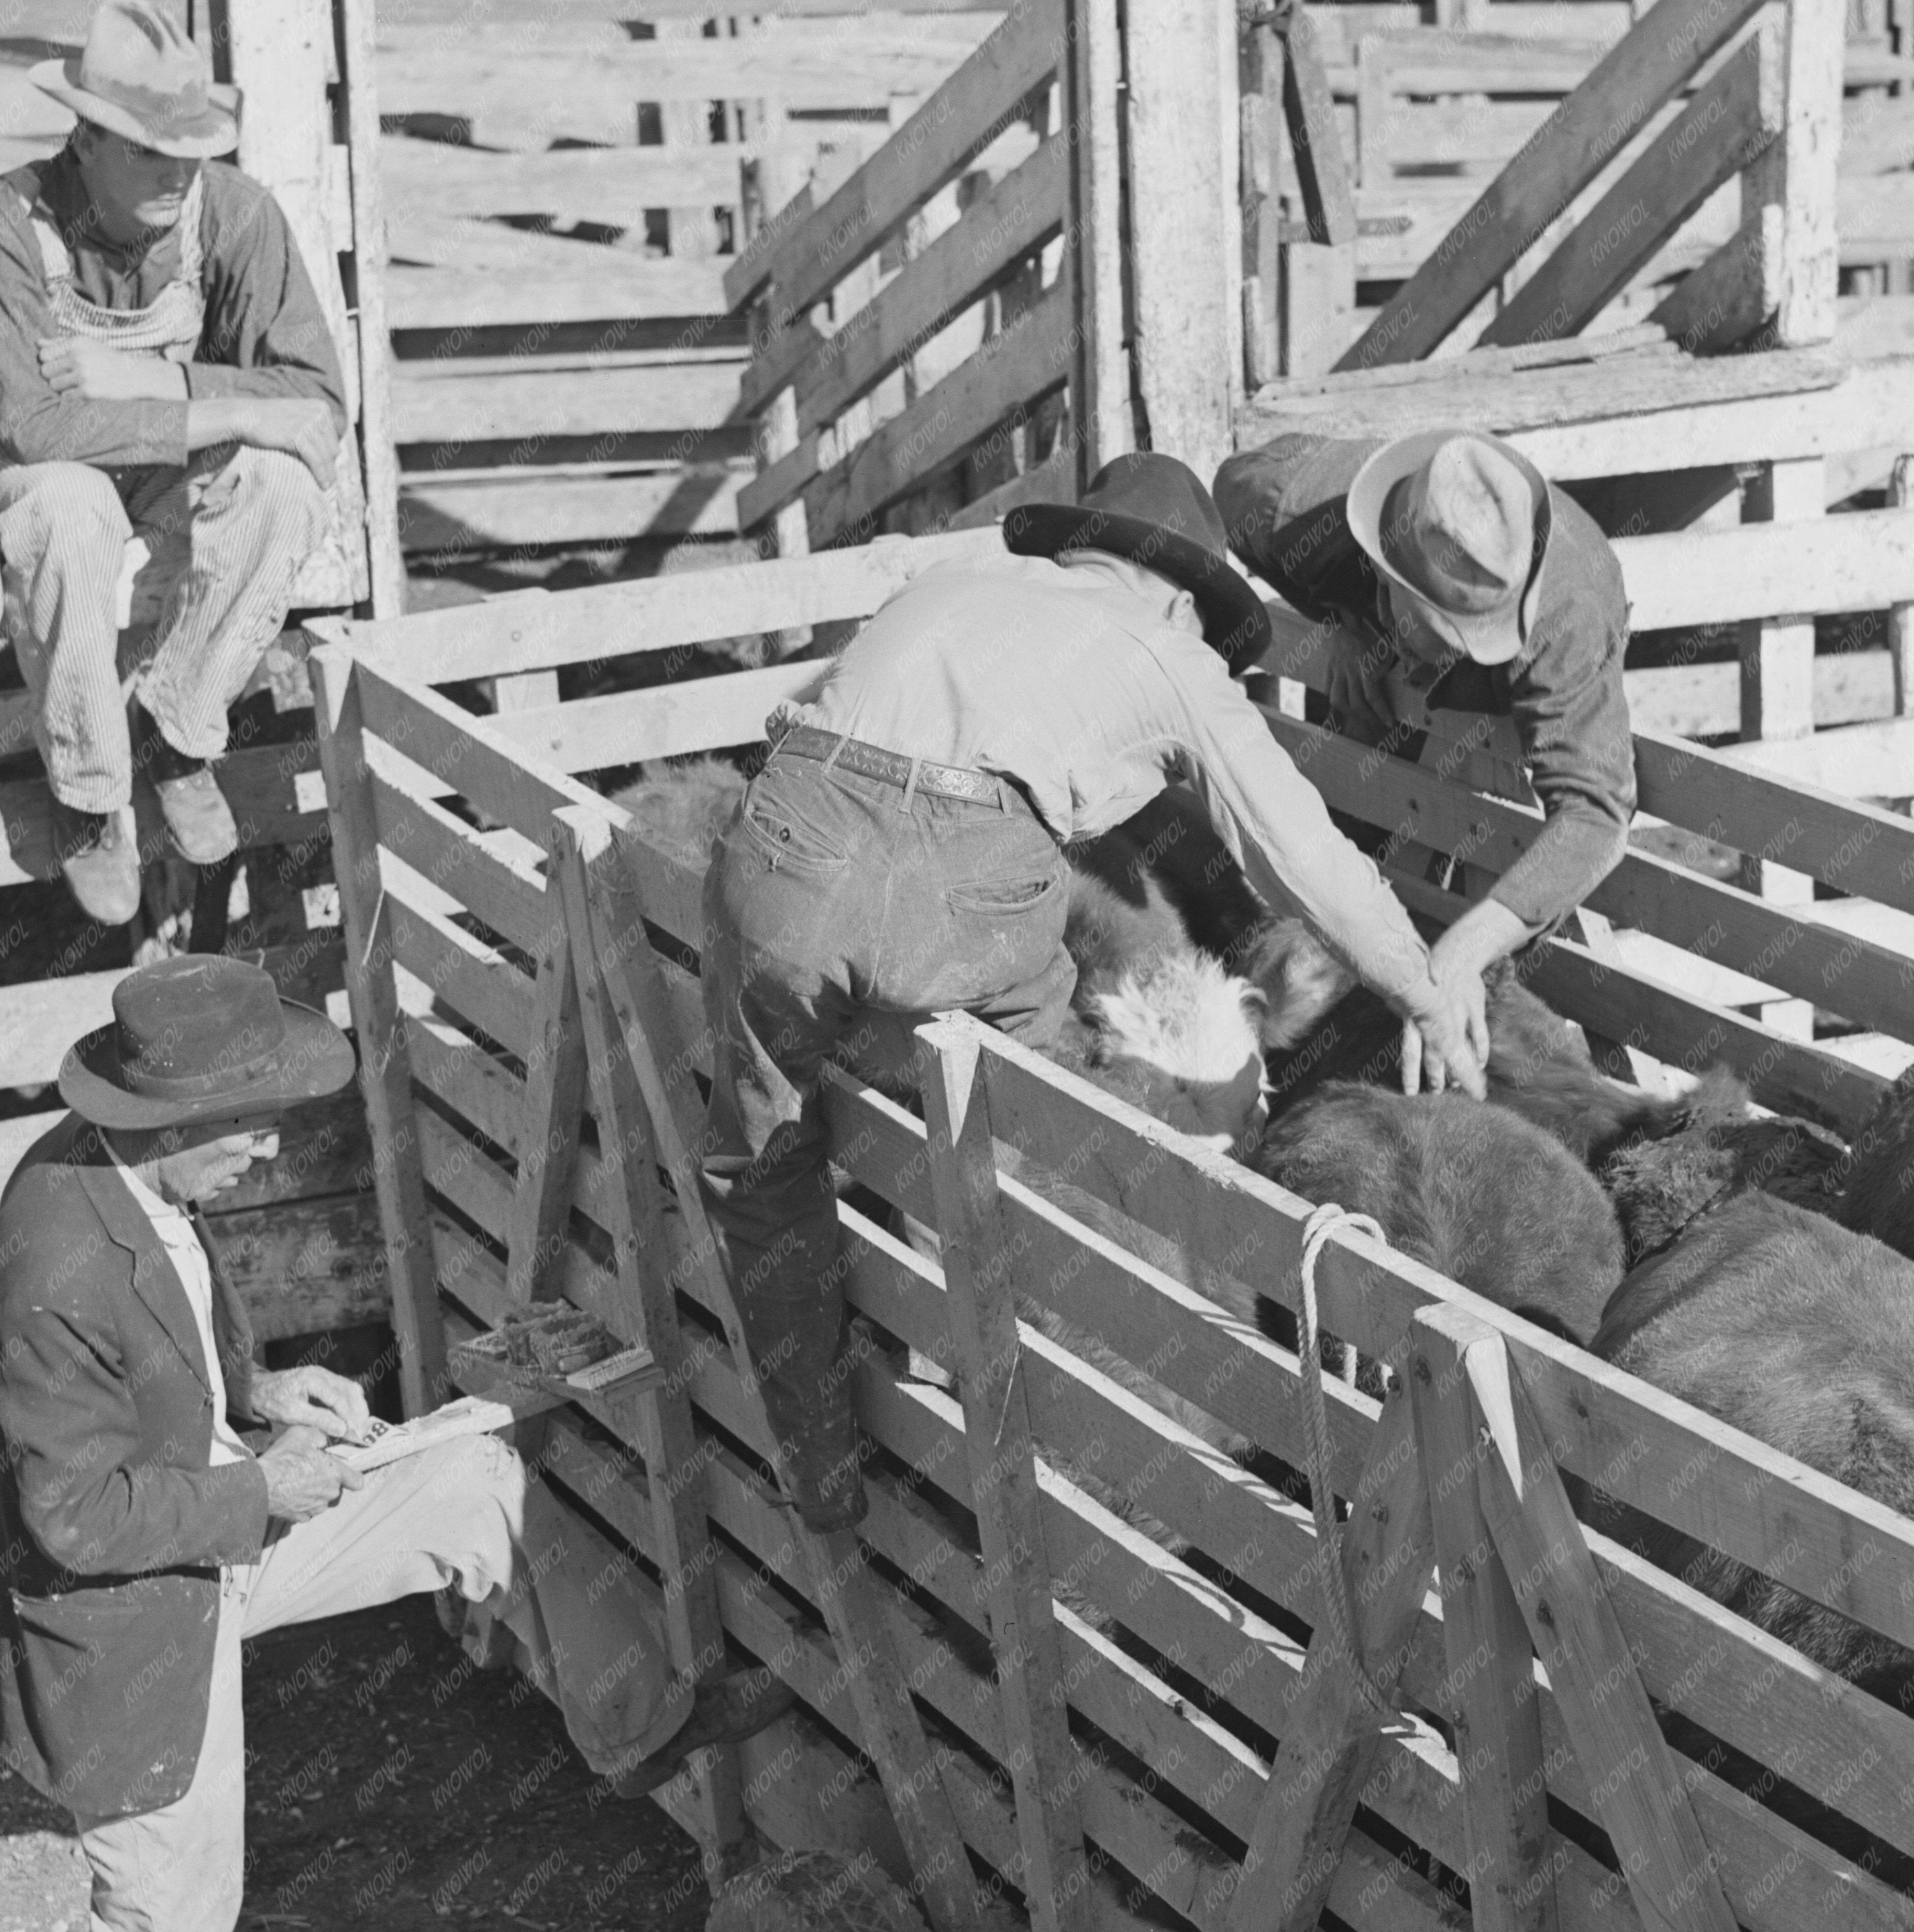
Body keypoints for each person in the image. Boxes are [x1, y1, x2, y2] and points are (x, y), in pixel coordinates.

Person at [0, 957, 677, 1932]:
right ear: (167, 1125)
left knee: (469, 1479)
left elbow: (168, 1375)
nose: (274, 1140)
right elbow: (75, 1523)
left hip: (209, 1535)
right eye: (255, 1117)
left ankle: (643, 1727)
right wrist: (259, 1486)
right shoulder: (49, 1265)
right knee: (169, 1908)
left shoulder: (136, 1186)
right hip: (123, 1625)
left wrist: (267, 1395)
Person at [698, 454, 1480, 1536]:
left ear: (1079, 546)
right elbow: (1300, 850)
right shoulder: (1167, 650)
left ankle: (822, 1480)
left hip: (791, 829)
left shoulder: (939, 590)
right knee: (1025, 1105)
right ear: (1179, 592)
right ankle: (1010, 1399)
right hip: (968, 868)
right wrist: (1424, 991)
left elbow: (809, 727)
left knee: (765, 1148)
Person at [0, 0, 348, 927]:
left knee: (284, 482)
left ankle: (179, 734)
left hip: (169, 482)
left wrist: (154, 377)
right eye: (146, 149)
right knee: (72, 511)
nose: (178, 172)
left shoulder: (234, 215)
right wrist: (210, 411)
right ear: (87, 139)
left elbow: (317, 404)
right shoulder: (8, 220)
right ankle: (90, 795)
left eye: (189, 148)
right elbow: (35, 428)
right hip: (42, 486)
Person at [1214, 425, 1636, 1078]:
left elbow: (1595, 810)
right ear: (1383, 572)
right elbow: (1232, 490)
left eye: (1482, 630)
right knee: (1340, 858)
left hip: (1498, 745)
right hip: (1378, 704)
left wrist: (1470, 946)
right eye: (1445, 629)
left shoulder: (1571, 614)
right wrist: (1345, 618)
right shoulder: (1296, 507)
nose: (1463, 644)